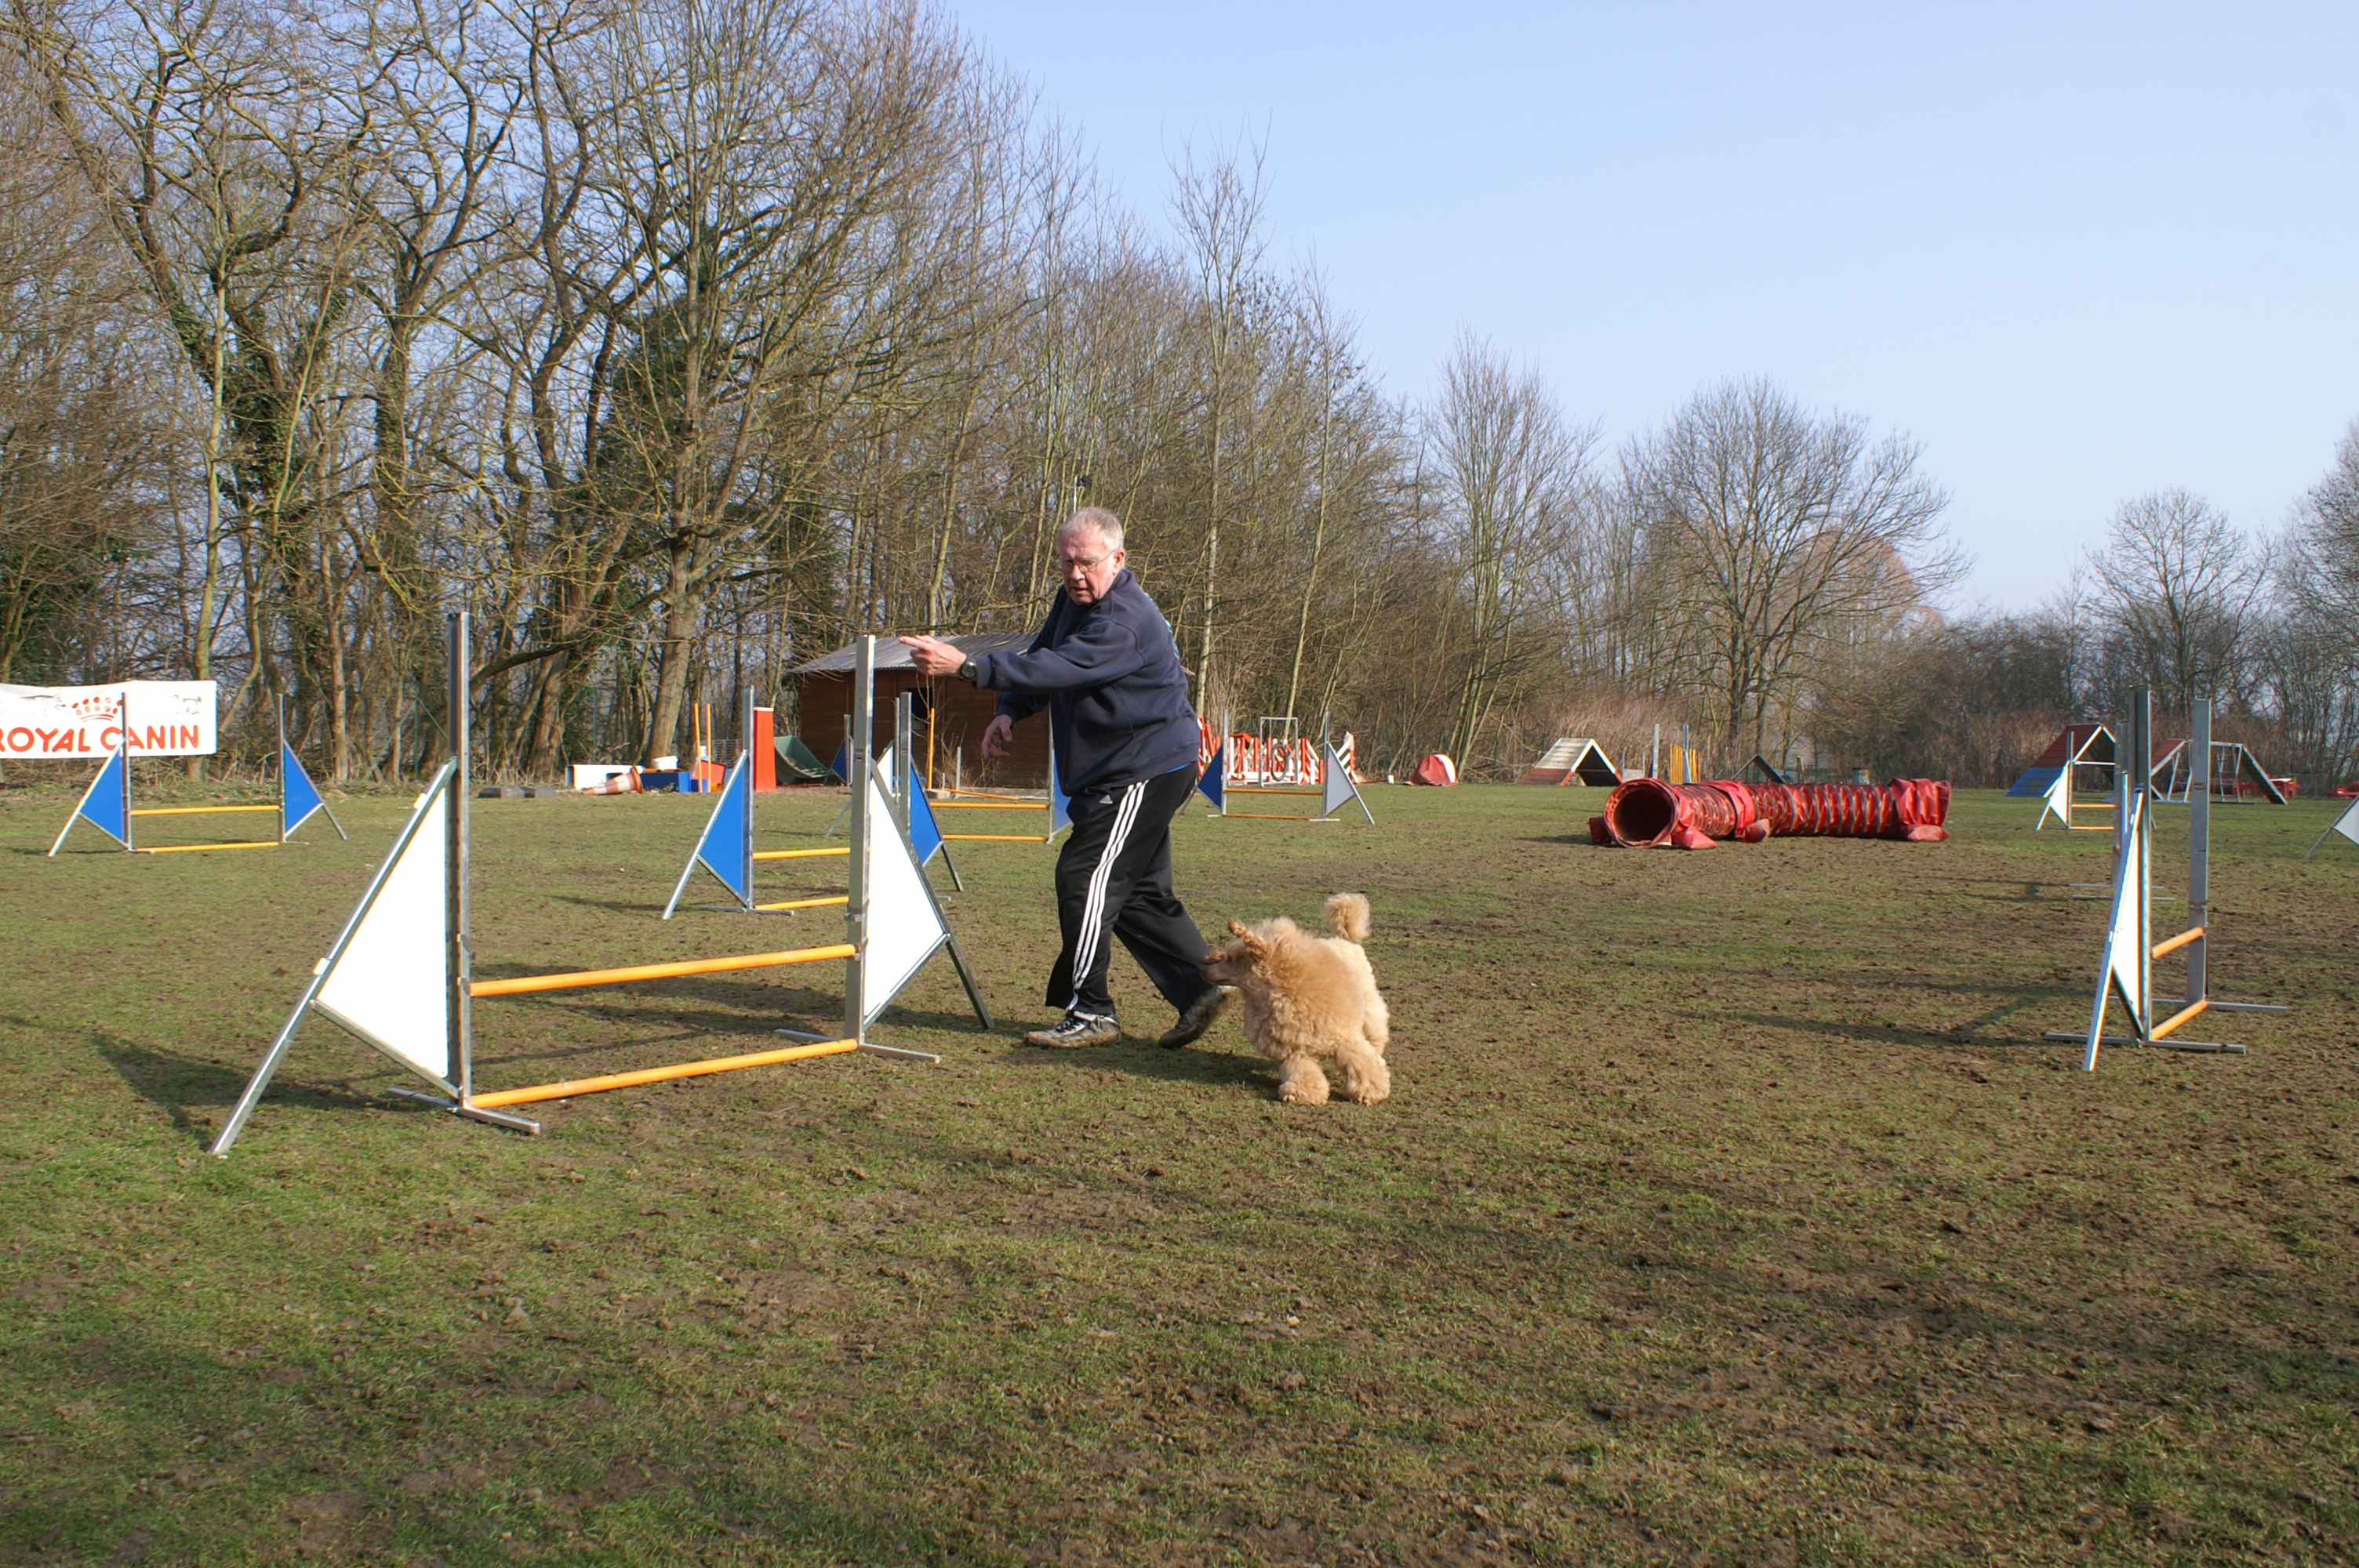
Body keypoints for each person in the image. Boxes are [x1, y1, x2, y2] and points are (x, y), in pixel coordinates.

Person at [902, 508, 1227, 1049]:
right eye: (1067, 562)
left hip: (1142, 767)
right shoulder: (1073, 602)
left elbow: (1063, 668)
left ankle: (1092, 1012)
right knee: (1136, 891)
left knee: (1083, 878)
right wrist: (1010, 710)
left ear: (1118, 559)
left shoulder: (1124, 621)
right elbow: (1043, 658)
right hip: (1127, 766)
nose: (1076, 574)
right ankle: (1202, 989)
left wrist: (968, 667)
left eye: (1087, 563)